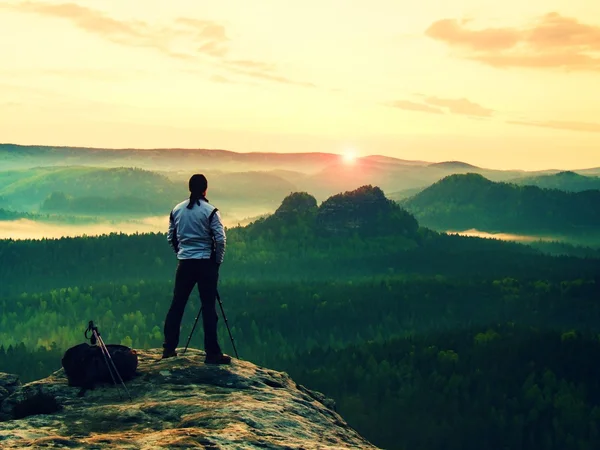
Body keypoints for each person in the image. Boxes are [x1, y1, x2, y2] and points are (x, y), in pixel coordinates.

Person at [162, 174, 231, 364]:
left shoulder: (177, 210)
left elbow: (171, 237)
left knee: (177, 305)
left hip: (185, 264)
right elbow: (220, 240)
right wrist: (217, 262)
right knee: (208, 308)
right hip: (205, 264)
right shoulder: (211, 211)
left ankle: (168, 348)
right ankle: (212, 353)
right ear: (205, 189)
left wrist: (181, 253)